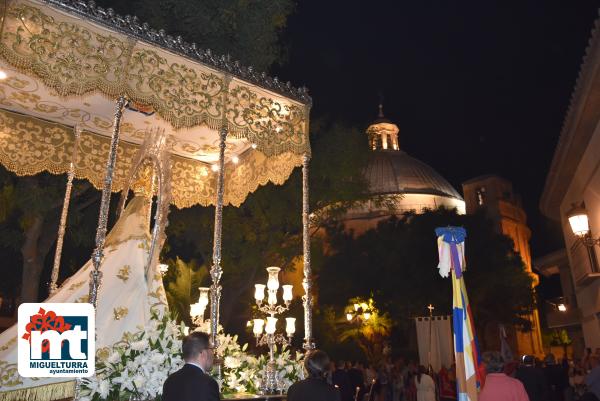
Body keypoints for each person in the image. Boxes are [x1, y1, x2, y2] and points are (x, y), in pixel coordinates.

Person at [162, 331, 219, 401]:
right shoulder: (208, 383)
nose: (213, 354)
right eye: (211, 349)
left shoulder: (170, 381)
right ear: (204, 353)